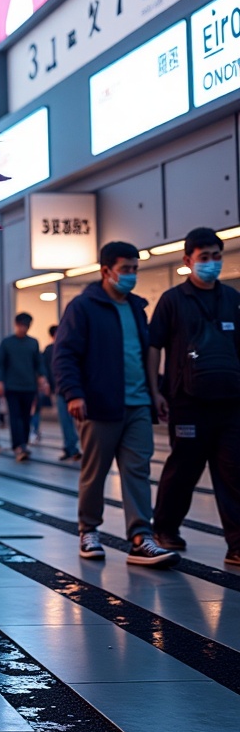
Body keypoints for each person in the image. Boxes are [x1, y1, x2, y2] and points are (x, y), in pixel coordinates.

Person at [53, 241, 177, 567]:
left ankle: (140, 537)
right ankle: (89, 530)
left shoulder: (137, 307)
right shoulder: (83, 307)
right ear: (106, 271)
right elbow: (65, 353)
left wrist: (156, 393)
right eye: (126, 270)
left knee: (138, 470)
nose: (131, 275)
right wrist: (74, 393)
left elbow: (145, 355)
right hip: (99, 404)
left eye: (135, 269)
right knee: (95, 472)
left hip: (137, 404)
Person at [150, 228, 240, 567]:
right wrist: (155, 390)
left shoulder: (231, 298)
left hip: (230, 401)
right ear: (188, 260)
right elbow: (154, 346)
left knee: (234, 471)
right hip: (187, 401)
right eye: (205, 258)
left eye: (217, 257)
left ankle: (237, 545)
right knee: (184, 468)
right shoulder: (173, 300)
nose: (212, 264)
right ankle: (166, 528)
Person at [0, 313, 47, 460]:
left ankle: (23, 443)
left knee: (26, 417)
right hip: (12, 387)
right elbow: (0, 364)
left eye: (27, 326)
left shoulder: (33, 343)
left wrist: (42, 378)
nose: (24, 328)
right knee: (15, 416)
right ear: (16, 324)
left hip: (29, 386)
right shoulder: (7, 343)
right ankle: (18, 445)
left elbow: (39, 363)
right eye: (22, 325)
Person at [43, 323, 79, 461]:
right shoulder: (51, 350)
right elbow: (47, 369)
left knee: (75, 421)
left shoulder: (67, 347)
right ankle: (71, 447)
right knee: (65, 420)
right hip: (60, 389)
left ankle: (73, 447)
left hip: (70, 389)